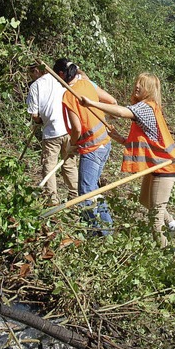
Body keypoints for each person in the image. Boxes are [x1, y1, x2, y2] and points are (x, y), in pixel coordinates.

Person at [80, 73, 175, 247]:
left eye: (141, 85)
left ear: (149, 90)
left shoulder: (146, 108)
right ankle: (172, 222)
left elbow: (120, 112)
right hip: (156, 164)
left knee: (155, 218)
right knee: (145, 200)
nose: (137, 86)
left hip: (166, 166)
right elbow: (147, 141)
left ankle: (166, 253)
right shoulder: (145, 107)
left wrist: (91, 103)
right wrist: (120, 138)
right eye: (137, 82)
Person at [55, 58, 113, 235]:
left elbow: (77, 128)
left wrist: (72, 145)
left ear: (61, 75)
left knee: (85, 193)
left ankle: (94, 233)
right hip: (104, 144)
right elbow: (111, 101)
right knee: (94, 189)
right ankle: (107, 229)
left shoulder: (69, 95)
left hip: (92, 149)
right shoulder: (86, 83)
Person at [26, 63, 78, 205]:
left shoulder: (35, 86)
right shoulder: (60, 79)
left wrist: (39, 121)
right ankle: (75, 196)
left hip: (52, 132)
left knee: (49, 165)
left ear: (36, 71)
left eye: (31, 73)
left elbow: (35, 114)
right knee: (69, 164)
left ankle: (52, 199)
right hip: (69, 128)